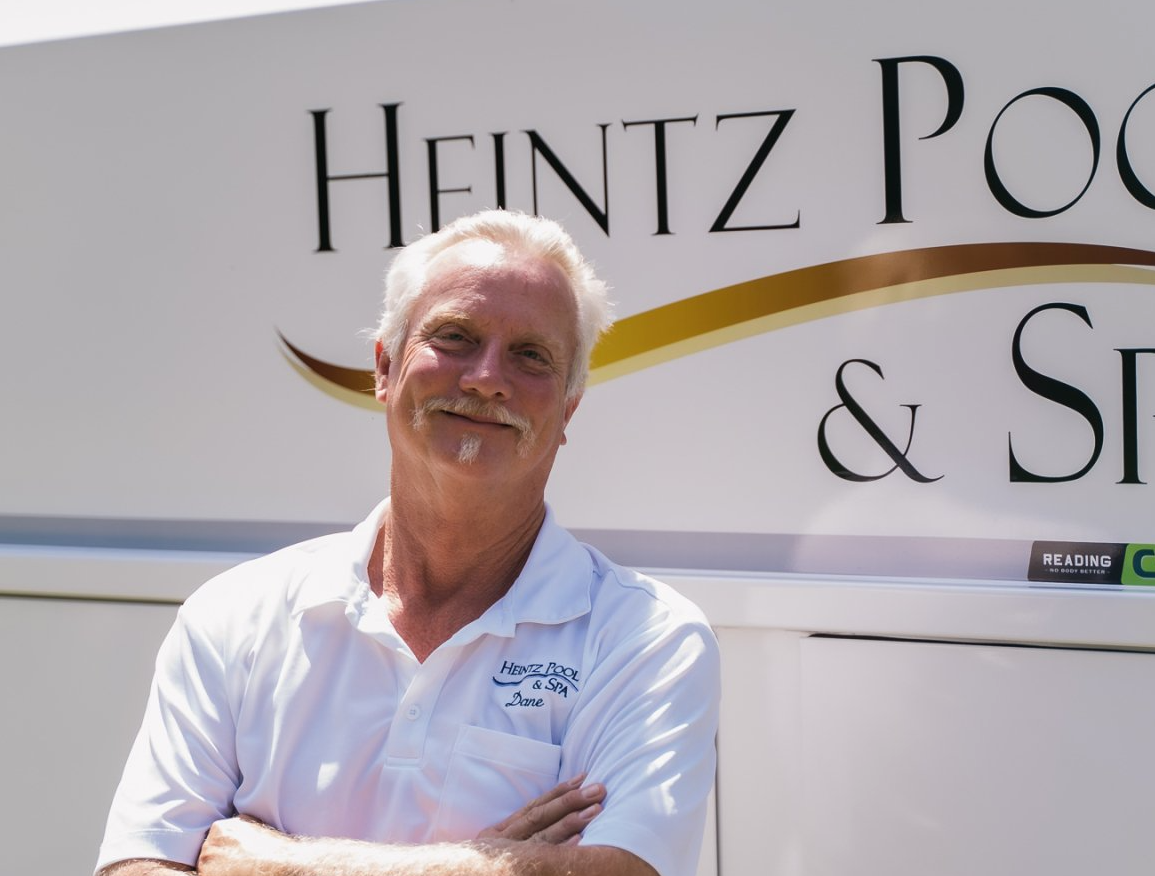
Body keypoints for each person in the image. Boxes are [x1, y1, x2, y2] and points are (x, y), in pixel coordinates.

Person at [94, 210, 720, 876]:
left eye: (530, 355)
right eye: (455, 336)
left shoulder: (647, 640)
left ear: (567, 410)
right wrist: (494, 865)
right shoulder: (235, 616)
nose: (485, 377)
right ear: (384, 369)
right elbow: (137, 868)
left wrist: (277, 863)